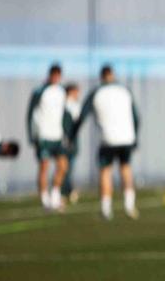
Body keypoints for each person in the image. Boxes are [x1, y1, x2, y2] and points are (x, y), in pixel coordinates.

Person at [77, 65, 140, 221]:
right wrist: (135, 137)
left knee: (106, 171)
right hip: (126, 138)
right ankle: (129, 205)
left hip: (108, 139)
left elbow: (82, 115)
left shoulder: (97, 92)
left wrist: (71, 135)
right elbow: (136, 116)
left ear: (101, 76)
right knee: (126, 169)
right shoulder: (124, 91)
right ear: (113, 75)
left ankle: (106, 209)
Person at [27, 64, 69, 212]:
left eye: (58, 75)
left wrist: (66, 133)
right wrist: (32, 135)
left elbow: (63, 114)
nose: (56, 78)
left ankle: (55, 195)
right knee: (44, 167)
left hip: (57, 136)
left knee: (63, 166)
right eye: (54, 75)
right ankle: (45, 201)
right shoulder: (40, 91)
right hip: (43, 135)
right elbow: (30, 113)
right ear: (50, 75)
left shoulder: (61, 92)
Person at [60, 84, 82, 204]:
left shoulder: (74, 105)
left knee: (67, 168)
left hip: (72, 140)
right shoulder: (66, 105)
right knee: (65, 168)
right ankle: (65, 191)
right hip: (68, 141)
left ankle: (66, 191)